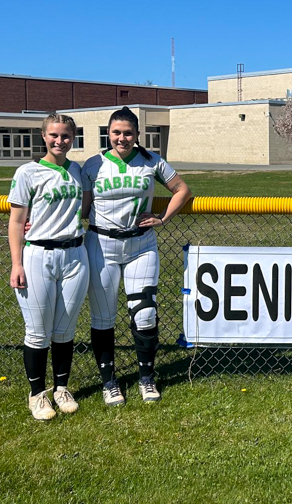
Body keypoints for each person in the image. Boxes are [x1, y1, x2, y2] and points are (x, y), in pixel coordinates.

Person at [81, 106, 191, 406]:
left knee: (145, 315)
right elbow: (82, 209)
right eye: (116, 132)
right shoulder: (93, 164)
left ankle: (146, 377)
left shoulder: (151, 161)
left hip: (141, 245)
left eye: (128, 132)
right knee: (103, 317)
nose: (122, 138)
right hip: (101, 245)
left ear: (137, 135)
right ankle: (109, 382)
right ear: (108, 133)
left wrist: (163, 218)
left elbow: (182, 189)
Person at [8, 114, 90, 420]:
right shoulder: (28, 172)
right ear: (44, 136)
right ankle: (37, 394)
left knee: (65, 329)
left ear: (73, 138)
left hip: (74, 255)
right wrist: (16, 263)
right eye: (54, 135)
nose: (59, 141)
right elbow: (16, 222)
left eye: (66, 136)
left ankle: (61, 388)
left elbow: (84, 207)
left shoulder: (77, 171)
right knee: (38, 331)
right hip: (38, 255)